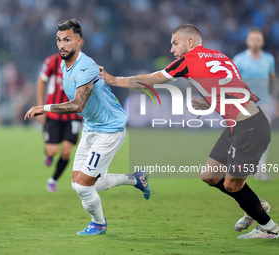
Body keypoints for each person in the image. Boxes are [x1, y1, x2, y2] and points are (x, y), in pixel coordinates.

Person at [99, 24, 278, 239]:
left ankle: (269, 228)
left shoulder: (187, 60)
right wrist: (209, 104)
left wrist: (112, 79)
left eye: (175, 43)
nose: (172, 50)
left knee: (232, 185)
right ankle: (255, 206)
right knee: (210, 176)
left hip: (249, 127)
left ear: (190, 42)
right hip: (240, 124)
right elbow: (235, 90)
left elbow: (150, 80)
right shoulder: (220, 56)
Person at [24, 19, 151, 235]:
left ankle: (99, 223)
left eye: (67, 40)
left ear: (79, 41)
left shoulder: (84, 66)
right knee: (79, 184)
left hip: (109, 130)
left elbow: (78, 104)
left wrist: (44, 107)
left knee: (84, 186)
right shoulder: (67, 66)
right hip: (92, 127)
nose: (62, 45)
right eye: (58, 40)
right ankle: (136, 179)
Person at [233, 27, 279, 181]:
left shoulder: (269, 60)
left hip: (264, 104)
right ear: (247, 41)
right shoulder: (239, 60)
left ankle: (261, 171)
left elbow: (272, 81)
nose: (255, 42)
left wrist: (275, 102)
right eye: (252, 39)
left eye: (258, 39)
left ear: (262, 42)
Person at [36, 53, 82, 192]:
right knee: (53, 150)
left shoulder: (84, 64)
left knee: (66, 151)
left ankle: (53, 180)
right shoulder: (52, 61)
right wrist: (40, 105)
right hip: (54, 112)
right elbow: (41, 81)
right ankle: (49, 154)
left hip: (73, 115)